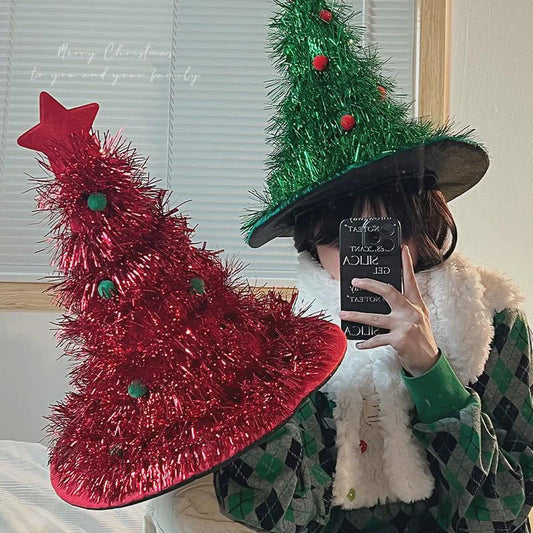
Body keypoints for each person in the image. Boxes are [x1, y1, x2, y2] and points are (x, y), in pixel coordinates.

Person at [212, 182, 533, 532]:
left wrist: (431, 372)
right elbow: (275, 513)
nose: (366, 258)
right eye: (343, 238)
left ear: (424, 224)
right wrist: (260, 389)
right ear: (312, 242)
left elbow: (502, 511)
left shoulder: (489, 319)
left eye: (387, 234)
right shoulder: (289, 340)